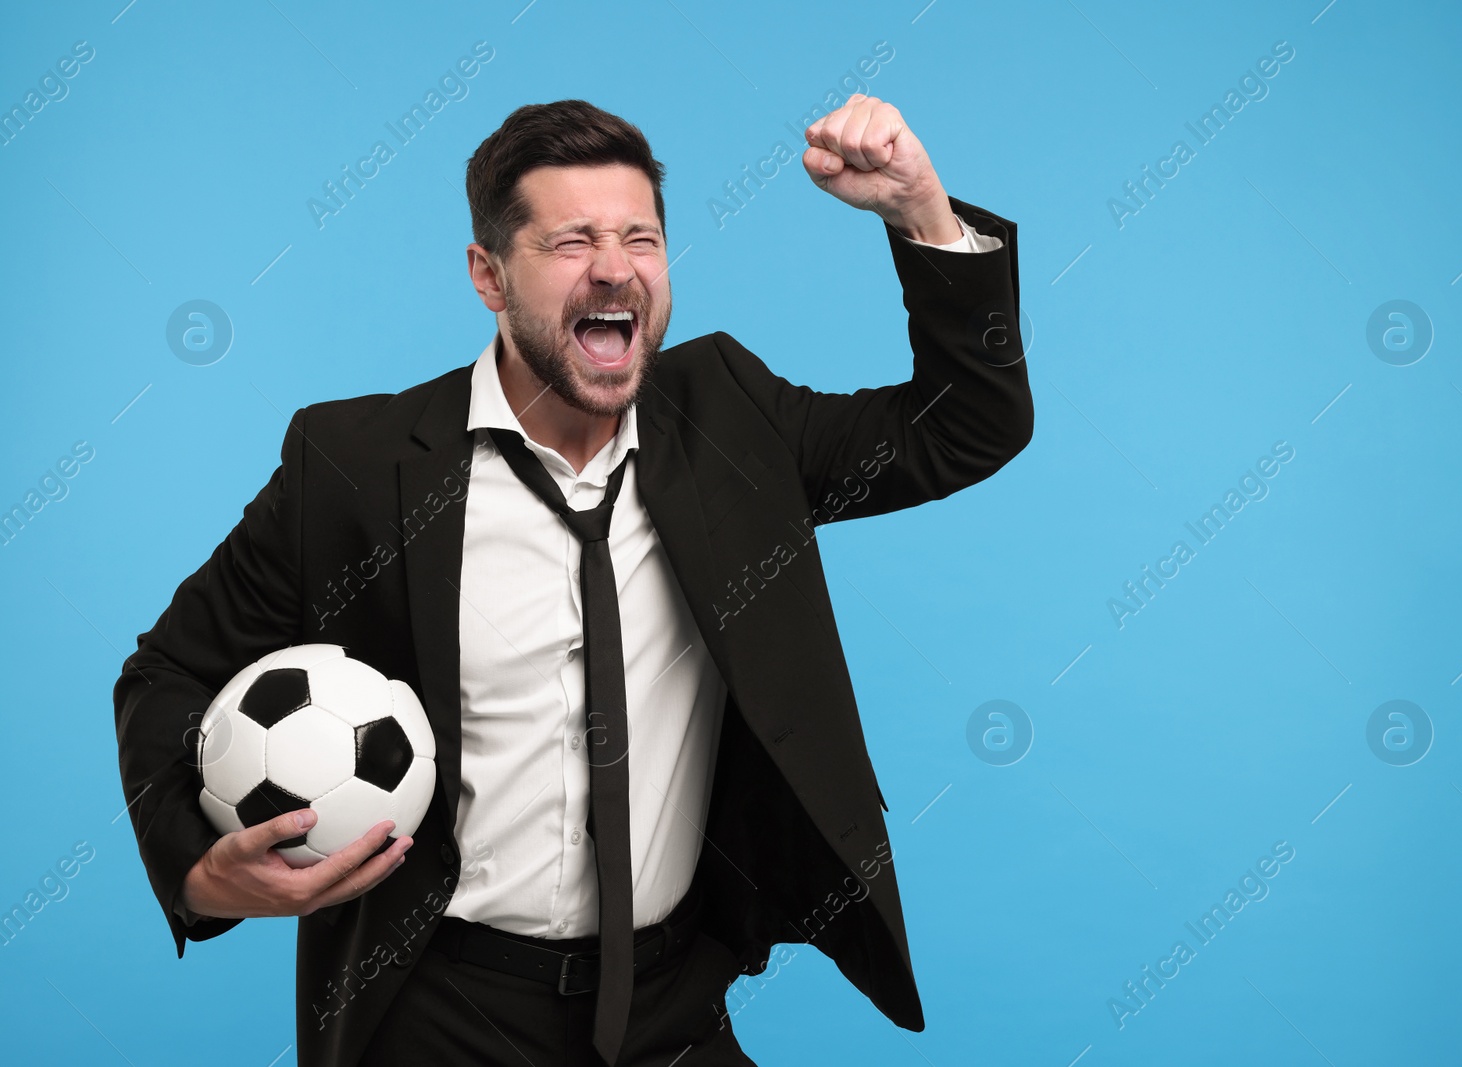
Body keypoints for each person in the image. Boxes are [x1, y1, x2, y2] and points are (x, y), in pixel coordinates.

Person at [112, 95, 1031, 1066]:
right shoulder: (352, 463)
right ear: (489, 275)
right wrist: (202, 874)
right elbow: (166, 674)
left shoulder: (730, 420)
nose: (614, 265)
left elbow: (963, 426)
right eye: (571, 240)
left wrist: (920, 212)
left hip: (670, 997)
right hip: (439, 1008)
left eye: (641, 235)